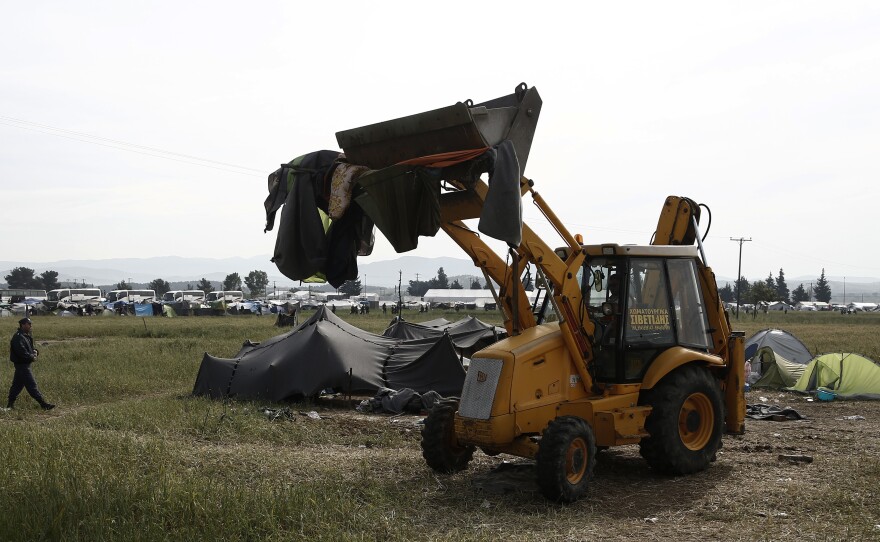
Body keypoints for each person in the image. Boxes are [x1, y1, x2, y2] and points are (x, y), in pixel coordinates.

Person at [8, 317, 54, 410]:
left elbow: (30, 349)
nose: (30, 326)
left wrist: (35, 351)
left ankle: (10, 405)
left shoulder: (26, 336)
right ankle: (43, 404)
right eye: (29, 324)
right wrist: (32, 357)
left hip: (24, 365)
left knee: (17, 386)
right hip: (22, 365)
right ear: (23, 325)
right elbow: (21, 352)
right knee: (32, 385)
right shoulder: (18, 337)